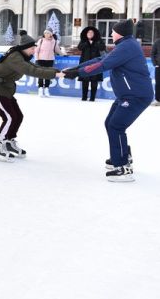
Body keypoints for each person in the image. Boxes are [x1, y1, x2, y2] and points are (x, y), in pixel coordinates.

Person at [61, 19, 153, 181]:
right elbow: (99, 60)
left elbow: (104, 65)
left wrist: (77, 73)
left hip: (136, 96)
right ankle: (123, 157)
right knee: (111, 123)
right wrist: (76, 68)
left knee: (116, 126)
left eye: (113, 31)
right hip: (128, 95)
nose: (110, 33)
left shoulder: (127, 47)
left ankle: (122, 167)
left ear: (120, 33)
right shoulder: (125, 45)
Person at [0, 34, 64, 162]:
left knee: (18, 116)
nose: (34, 51)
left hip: (6, 89)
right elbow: (32, 71)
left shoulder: (21, 56)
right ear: (25, 48)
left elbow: (35, 67)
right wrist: (55, 75)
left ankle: (9, 142)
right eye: (32, 48)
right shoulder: (15, 58)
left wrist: (56, 71)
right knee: (9, 117)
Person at [76, 26, 106, 102]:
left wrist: (94, 43)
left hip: (95, 64)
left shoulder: (99, 40)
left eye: (91, 32)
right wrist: (87, 43)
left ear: (94, 34)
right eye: (88, 32)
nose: (89, 34)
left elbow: (103, 48)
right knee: (85, 81)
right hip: (85, 63)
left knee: (94, 81)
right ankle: (84, 97)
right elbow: (79, 47)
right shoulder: (84, 40)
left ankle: (92, 98)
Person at [34, 28, 62, 96]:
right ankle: (40, 89)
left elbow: (57, 50)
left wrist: (63, 54)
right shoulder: (41, 40)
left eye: (48, 33)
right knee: (40, 75)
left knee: (48, 75)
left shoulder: (54, 41)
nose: (46, 34)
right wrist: (37, 59)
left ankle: (46, 89)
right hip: (40, 60)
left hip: (50, 60)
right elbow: (36, 50)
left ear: (51, 34)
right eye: (45, 33)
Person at [150, 35, 159, 106]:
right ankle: (158, 100)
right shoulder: (157, 42)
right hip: (159, 67)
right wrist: (155, 64)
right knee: (158, 84)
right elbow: (152, 54)